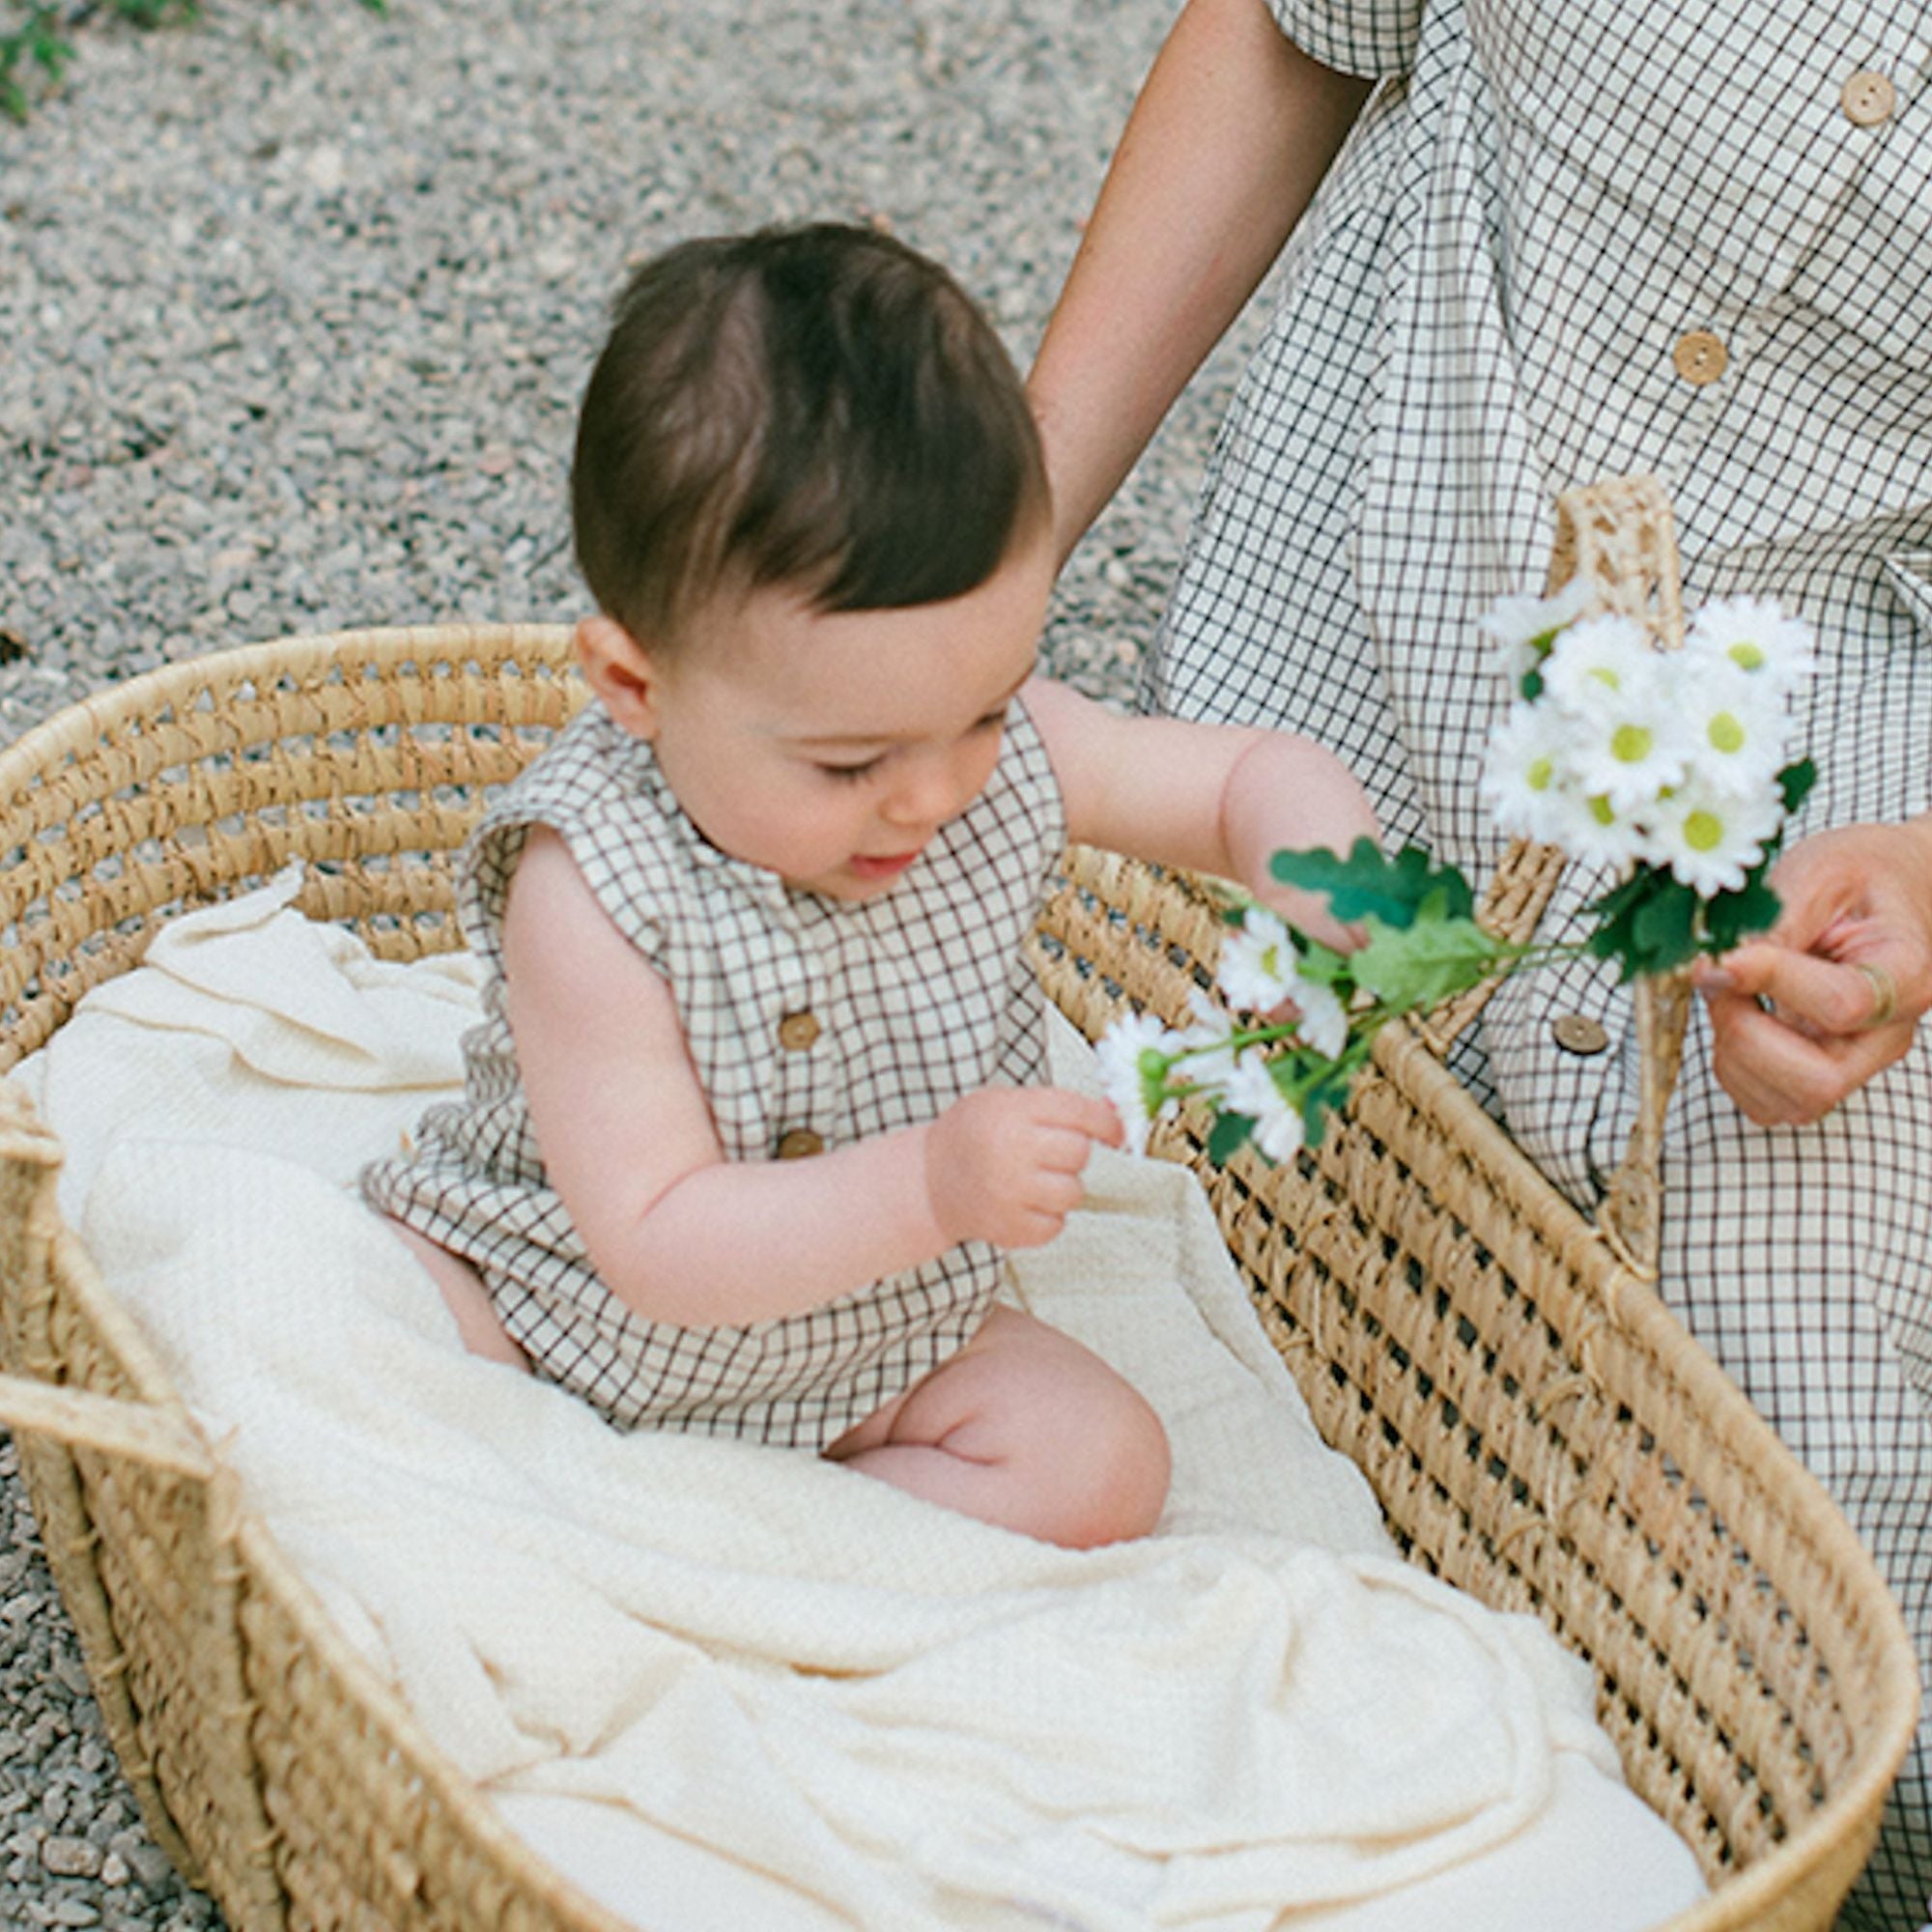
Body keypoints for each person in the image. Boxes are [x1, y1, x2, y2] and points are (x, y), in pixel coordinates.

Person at [1027, 0, 1932, 1918]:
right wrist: (981, 558)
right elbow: (1286, 30)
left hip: (1810, 792)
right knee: (1122, 1403)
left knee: (1810, 1715)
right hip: (1366, 662)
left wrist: (1924, 881)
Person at [361, 221, 1378, 1552]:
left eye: (988, 710)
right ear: (635, 688)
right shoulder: (590, 889)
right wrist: (934, 1190)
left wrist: (1324, 875)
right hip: (564, 1313)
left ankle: (760, 1543)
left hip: (873, 1340)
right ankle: (598, 1508)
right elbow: (658, 1239)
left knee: (1103, 1467)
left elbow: (1238, 778)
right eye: (850, 762)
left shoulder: (984, 760)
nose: (932, 794)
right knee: (391, 1384)